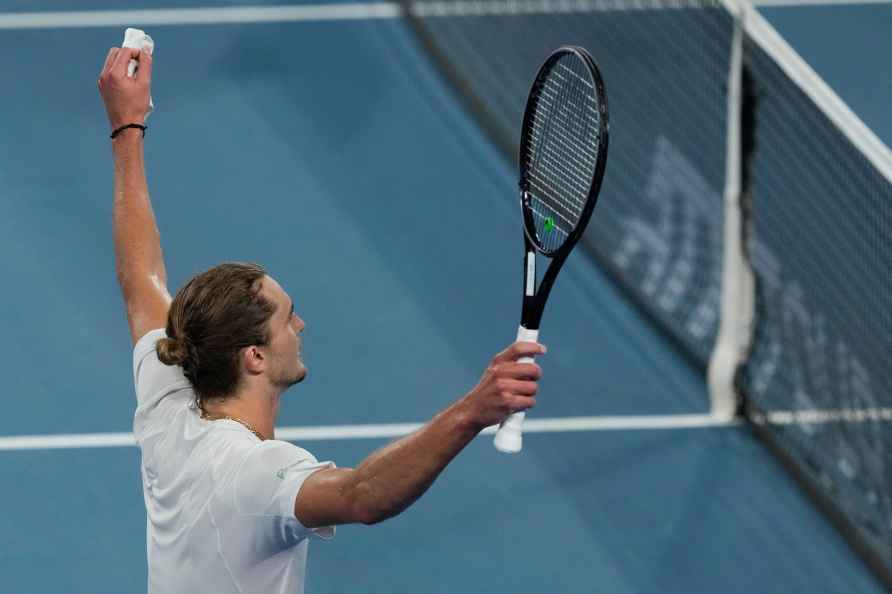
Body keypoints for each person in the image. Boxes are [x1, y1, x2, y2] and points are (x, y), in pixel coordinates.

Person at [98, 46, 545, 594]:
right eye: (289, 318)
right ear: (253, 357)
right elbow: (361, 496)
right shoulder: (252, 476)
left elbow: (140, 279)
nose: (301, 327)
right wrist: (473, 411)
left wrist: (128, 127)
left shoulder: (169, 406)